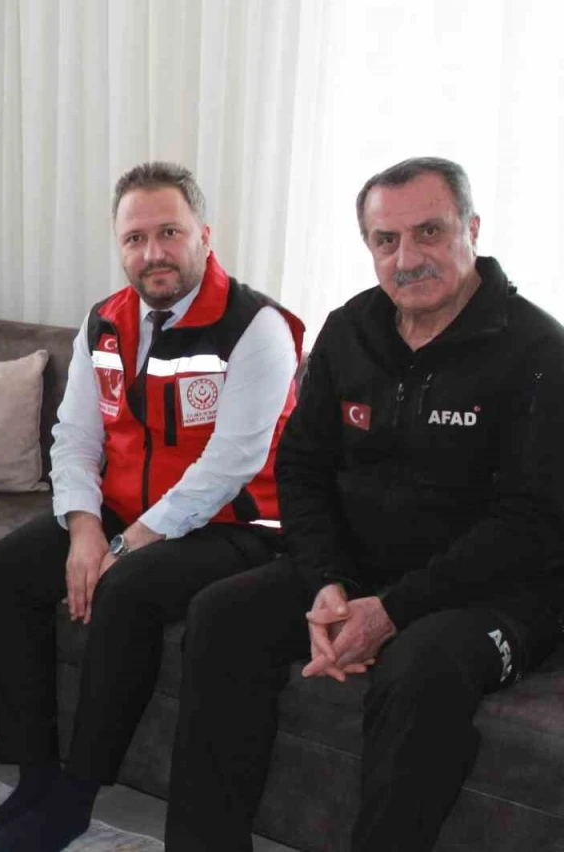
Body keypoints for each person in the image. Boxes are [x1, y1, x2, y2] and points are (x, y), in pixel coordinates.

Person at [164, 157, 564, 852]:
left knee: (420, 670)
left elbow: (527, 524)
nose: (407, 258)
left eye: (430, 232)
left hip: (497, 595)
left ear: (471, 230)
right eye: (387, 240)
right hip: (359, 571)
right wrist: (327, 581)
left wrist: (393, 610)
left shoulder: (539, 351)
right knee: (221, 616)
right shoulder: (350, 330)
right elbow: (301, 467)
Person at [0, 162, 304, 852]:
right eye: (135, 238)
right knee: (5, 569)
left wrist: (124, 546)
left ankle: (76, 797)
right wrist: (84, 528)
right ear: (119, 246)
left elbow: (231, 463)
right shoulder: (105, 322)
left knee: (124, 590)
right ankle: (35, 776)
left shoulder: (256, 326)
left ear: (204, 235)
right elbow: (75, 436)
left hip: (238, 524)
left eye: (169, 232)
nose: (153, 252)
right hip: (127, 510)